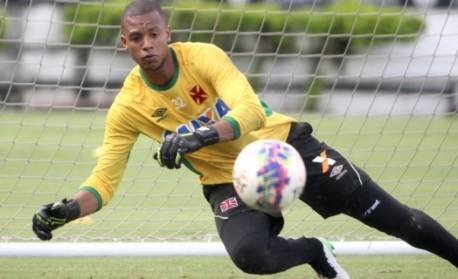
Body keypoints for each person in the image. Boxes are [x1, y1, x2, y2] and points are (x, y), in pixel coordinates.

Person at [32, 0, 458, 278]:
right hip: (228, 181)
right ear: (124, 42)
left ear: (168, 34)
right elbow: (104, 181)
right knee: (250, 256)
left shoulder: (205, 57)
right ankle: (314, 251)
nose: (147, 45)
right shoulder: (128, 106)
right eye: (136, 38)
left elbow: (251, 111)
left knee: (401, 222)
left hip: (289, 148)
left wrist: (198, 137)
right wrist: (68, 210)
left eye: (153, 34)